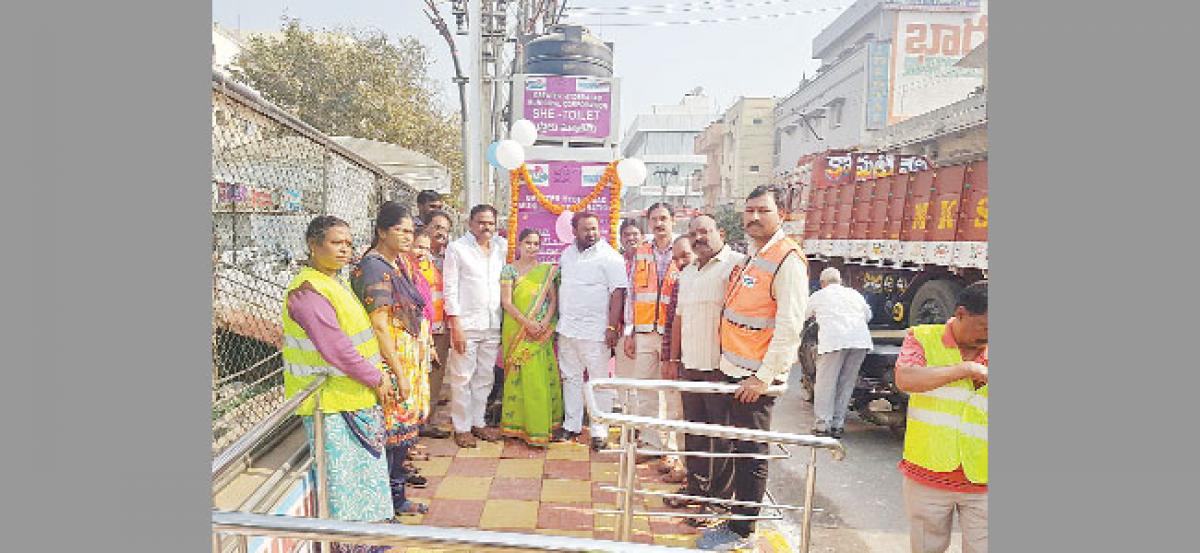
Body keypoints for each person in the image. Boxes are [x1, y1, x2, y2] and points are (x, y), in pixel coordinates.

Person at [698, 186, 809, 550]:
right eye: (749, 210)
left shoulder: (786, 259)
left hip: (754, 380)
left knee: (750, 452)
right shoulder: (754, 254)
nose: (755, 217)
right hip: (734, 371)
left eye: (763, 210)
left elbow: (790, 326)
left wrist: (762, 378)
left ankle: (743, 530)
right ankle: (735, 518)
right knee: (737, 447)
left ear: (781, 214)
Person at [280, 215, 394, 547]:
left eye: (348, 243)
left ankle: (368, 541)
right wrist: (377, 378)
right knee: (346, 490)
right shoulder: (307, 291)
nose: (345, 249)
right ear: (313, 246)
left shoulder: (333, 282)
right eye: (336, 243)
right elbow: (337, 348)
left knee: (365, 484)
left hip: (352, 397)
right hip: (329, 406)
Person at [349, 202, 433, 517]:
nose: (408, 237)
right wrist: (398, 373)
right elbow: (380, 325)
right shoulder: (373, 267)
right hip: (389, 362)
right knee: (390, 437)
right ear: (382, 231)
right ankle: (385, 506)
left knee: (400, 440)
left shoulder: (394, 263)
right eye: (401, 230)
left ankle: (396, 500)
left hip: (405, 361)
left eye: (411, 231)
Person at [894, 281, 989, 553]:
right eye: (985, 326)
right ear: (960, 314)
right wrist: (965, 369)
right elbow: (906, 378)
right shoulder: (922, 337)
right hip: (928, 475)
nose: (990, 334)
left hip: (983, 480)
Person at [661, 215, 744, 519]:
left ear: (720, 232)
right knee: (694, 432)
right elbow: (678, 319)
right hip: (691, 366)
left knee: (720, 436)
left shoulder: (736, 264)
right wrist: (673, 359)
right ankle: (696, 488)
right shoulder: (688, 273)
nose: (699, 238)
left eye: (705, 232)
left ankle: (718, 501)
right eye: (694, 233)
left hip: (721, 367)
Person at [555, 211, 627, 451]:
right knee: (571, 378)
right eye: (586, 229)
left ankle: (599, 430)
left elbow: (618, 293)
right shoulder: (567, 254)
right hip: (568, 330)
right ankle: (572, 425)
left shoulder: (610, 257)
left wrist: (611, 326)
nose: (591, 233)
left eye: (594, 228)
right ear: (574, 231)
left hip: (596, 333)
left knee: (598, 382)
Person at [624, 202, 686, 468]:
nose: (659, 224)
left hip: (672, 334)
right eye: (654, 219)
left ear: (673, 220)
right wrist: (629, 331)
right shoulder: (642, 252)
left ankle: (673, 451)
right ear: (648, 222)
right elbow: (632, 293)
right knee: (646, 390)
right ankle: (650, 443)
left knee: (673, 393)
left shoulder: (685, 249)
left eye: (663, 218)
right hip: (645, 332)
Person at [443, 204, 507, 448]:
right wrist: (455, 323)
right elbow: (450, 288)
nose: (486, 227)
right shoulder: (457, 249)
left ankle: (478, 422)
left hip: (492, 323)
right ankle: (461, 426)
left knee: (485, 377)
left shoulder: (500, 248)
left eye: (490, 222)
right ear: (470, 223)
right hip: (466, 324)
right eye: (481, 222)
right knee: (462, 377)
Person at [498, 228, 565, 447]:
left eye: (536, 244)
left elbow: (553, 300)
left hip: (540, 333)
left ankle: (540, 426)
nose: (532, 248)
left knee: (539, 378)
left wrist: (544, 322)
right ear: (519, 244)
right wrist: (527, 324)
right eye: (528, 243)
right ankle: (517, 426)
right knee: (519, 376)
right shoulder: (509, 270)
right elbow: (506, 302)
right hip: (517, 330)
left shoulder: (547, 271)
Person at [805, 266, 874, 438]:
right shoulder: (854, 294)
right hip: (860, 341)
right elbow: (868, 316)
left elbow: (803, 315)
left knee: (825, 383)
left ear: (822, 283)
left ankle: (822, 426)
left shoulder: (819, 295)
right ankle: (837, 425)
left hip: (834, 341)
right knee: (846, 383)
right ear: (840, 281)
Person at [412, 228, 452, 439]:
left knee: (435, 377)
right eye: (418, 247)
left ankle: (428, 420)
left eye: (425, 248)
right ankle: (413, 424)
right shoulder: (405, 271)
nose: (422, 252)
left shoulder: (434, 266)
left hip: (438, 328)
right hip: (418, 333)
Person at [424, 210, 454, 416]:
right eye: (436, 227)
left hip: (442, 325)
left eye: (445, 228)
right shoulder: (415, 254)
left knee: (437, 373)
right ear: (425, 228)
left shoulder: (451, 256)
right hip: (419, 325)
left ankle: (429, 419)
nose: (441, 232)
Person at [613, 218, 644, 419]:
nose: (631, 238)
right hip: (622, 329)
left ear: (642, 237)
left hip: (645, 331)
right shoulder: (616, 263)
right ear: (621, 238)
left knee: (643, 382)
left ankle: (642, 426)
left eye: (635, 234)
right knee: (624, 379)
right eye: (626, 235)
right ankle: (628, 423)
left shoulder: (650, 261)